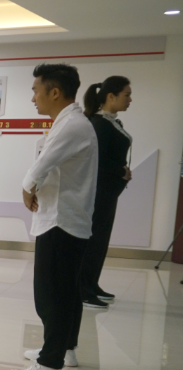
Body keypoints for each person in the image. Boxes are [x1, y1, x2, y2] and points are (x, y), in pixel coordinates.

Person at [9, 63, 97, 370]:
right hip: (66, 219)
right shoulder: (72, 123)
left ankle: (49, 366)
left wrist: (26, 188)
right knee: (66, 292)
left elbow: (40, 167)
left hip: (60, 222)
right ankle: (63, 349)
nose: (33, 98)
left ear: (55, 92)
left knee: (51, 295)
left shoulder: (71, 125)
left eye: (36, 91)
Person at [79, 77, 132, 308]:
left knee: (101, 239)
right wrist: (121, 170)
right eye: (126, 95)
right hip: (98, 192)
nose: (130, 99)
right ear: (111, 96)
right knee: (93, 240)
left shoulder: (111, 122)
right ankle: (82, 290)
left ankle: (92, 284)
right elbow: (97, 160)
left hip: (108, 192)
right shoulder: (99, 124)